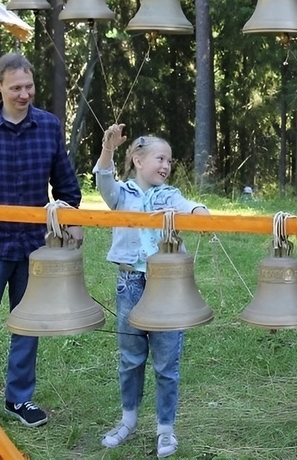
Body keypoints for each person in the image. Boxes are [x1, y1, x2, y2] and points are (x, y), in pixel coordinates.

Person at [0, 52, 83, 430]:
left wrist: (72, 217)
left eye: (29, 86)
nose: (25, 94)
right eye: (16, 88)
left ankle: (19, 399)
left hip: (34, 245)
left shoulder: (48, 126)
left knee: (29, 324)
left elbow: (65, 182)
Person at [94, 123, 209, 459]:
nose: (165, 166)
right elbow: (103, 179)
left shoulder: (168, 196)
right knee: (130, 358)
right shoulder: (121, 195)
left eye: (169, 162)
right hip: (129, 283)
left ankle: (165, 429)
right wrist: (108, 148)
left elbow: (190, 206)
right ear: (137, 161)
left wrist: (198, 212)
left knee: (166, 362)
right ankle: (128, 420)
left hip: (166, 287)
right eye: (160, 158)